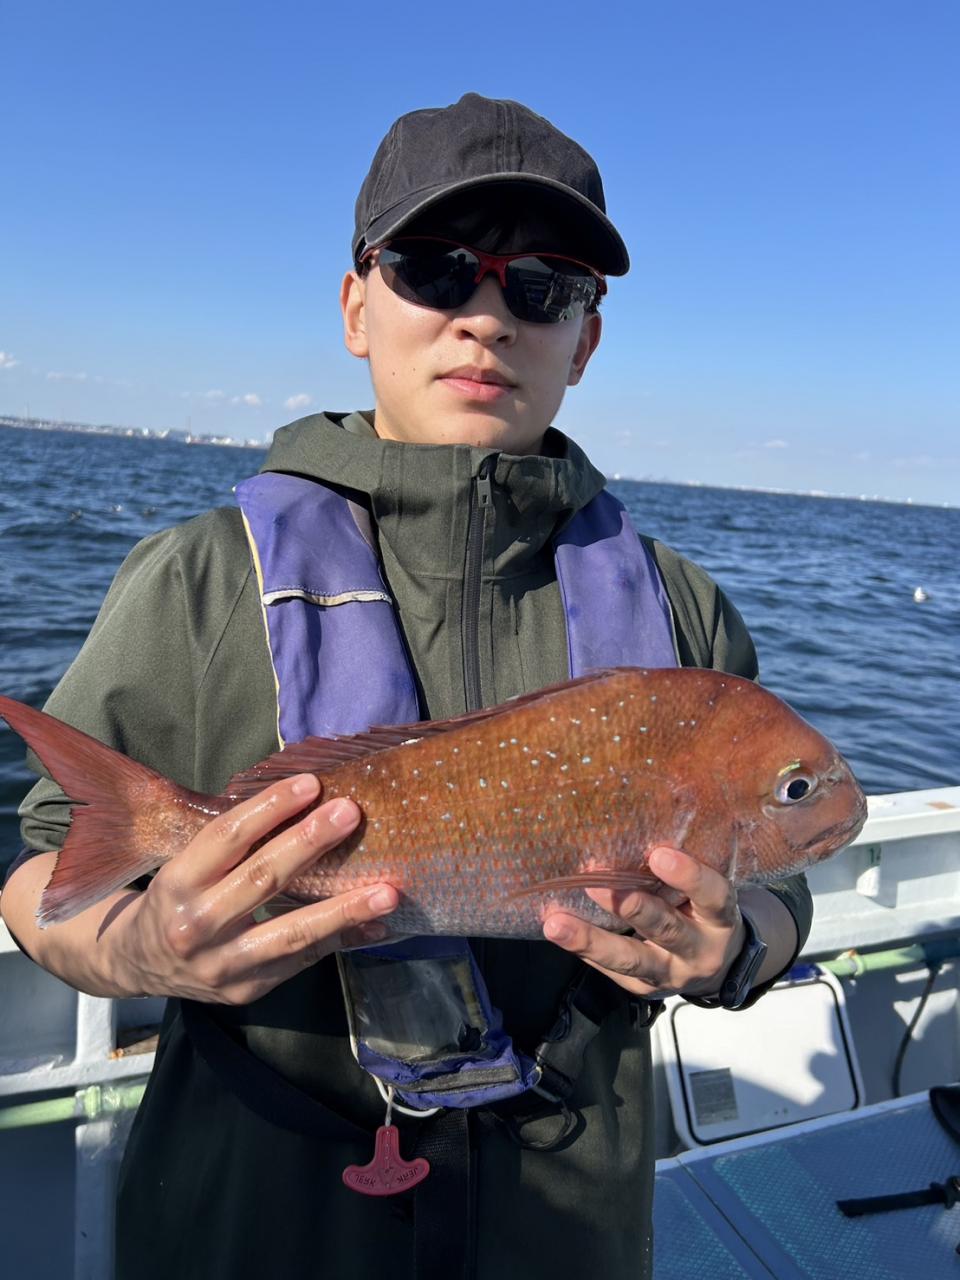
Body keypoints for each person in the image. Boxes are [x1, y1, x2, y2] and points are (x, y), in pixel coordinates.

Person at [1, 94, 811, 1279]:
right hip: (256, 1219)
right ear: (356, 307)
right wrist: (143, 951)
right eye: (434, 268)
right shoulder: (199, 577)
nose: (486, 316)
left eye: (542, 286)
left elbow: (782, 882)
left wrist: (737, 949)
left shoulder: (681, 612)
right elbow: (40, 873)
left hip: (565, 1225)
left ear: (585, 340)